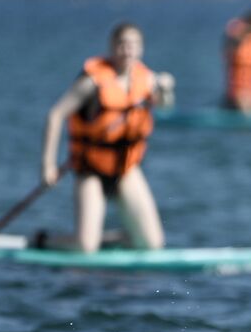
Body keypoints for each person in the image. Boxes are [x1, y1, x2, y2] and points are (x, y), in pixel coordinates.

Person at [39, 22, 175, 253]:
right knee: (85, 247)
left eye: (133, 45)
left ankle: (113, 238)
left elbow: (164, 106)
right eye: (122, 45)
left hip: (126, 169)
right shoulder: (91, 83)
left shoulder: (149, 81)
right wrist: (47, 166)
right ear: (112, 47)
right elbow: (56, 115)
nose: (127, 51)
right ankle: (44, 240)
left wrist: (166, 89)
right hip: (91, 170)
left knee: (153, 244)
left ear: (141, 49)